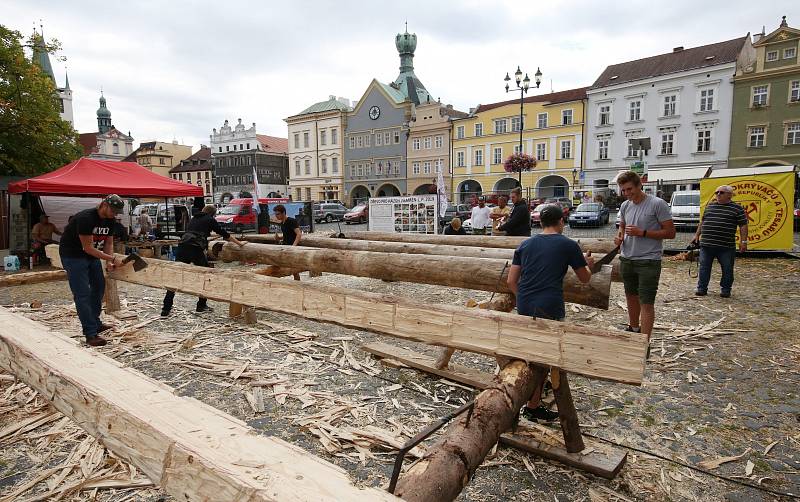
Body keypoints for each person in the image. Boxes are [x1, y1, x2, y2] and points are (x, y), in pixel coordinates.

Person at [507, 204, 594, 421]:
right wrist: (589, 263)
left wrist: (525, 298)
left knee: (530, 351)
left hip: (526, 304)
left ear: (541, 223)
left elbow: (511, 281)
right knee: (543, 359)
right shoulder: (568, 245)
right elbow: (585, 278)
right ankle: (532, 406)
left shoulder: (525, 244)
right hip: (550, 305)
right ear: (561, 222)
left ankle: (530, 394)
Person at [614, 171, 675, 340]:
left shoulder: (657, 204)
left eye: (629, 189)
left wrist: (643, 232)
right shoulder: (626, 205)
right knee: (630, 296)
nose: (626, 193)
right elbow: (622, 226)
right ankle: (633, 329)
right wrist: (620, 236)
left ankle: (644, 342)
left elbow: (670, 233)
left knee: (646, 302)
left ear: (640, 185)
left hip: (648, 261)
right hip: (627, 258)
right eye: (623, 190)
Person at [59, 195, 125, 347]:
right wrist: (113, 259)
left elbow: (108, 242)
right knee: (82, 294)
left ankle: (95, 322)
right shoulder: (86, 218)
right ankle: (90, 334)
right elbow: (87, 247)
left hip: (91, 255)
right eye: (113, 210)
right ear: (103, 205)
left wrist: (109, 260)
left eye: (117, 212)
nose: (115, 214)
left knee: (99, 287)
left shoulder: (110, 220)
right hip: (73, 255)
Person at [161, 205, 245, 316]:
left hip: (183, 246)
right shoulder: (210, 219)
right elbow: (225, 234)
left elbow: (198, 231)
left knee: (176, 277)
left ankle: (166, 309)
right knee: (205, 275)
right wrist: (240, 244)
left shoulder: (194, 218)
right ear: (213, 214)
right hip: (195, 248)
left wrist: (207, 234)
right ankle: (201, 305)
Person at [692, 185, 748, 298]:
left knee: (727, 268)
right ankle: (701, 288)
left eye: (721, 192)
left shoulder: (737, 208)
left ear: (730, 195)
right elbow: (702, 222)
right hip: (706, 245)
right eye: (716, 192)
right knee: (703, 267)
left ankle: (726, 289)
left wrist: (744, 242)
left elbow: (743, 226)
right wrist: (697, 235)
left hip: (726, 246)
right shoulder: (710, 206)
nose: (718, 194)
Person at [273, 204, 302, 280]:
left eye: (278, 214)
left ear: (283, 213)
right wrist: (279, 237)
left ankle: (297, 282)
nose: (276, 216)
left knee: (294, 268)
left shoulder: (291, 221)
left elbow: (298, 233)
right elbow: (287, 234)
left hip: (291, 247)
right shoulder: (282, 223)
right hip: (285, 246)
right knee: (292, 268)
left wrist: (294, 246)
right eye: (275, 214)